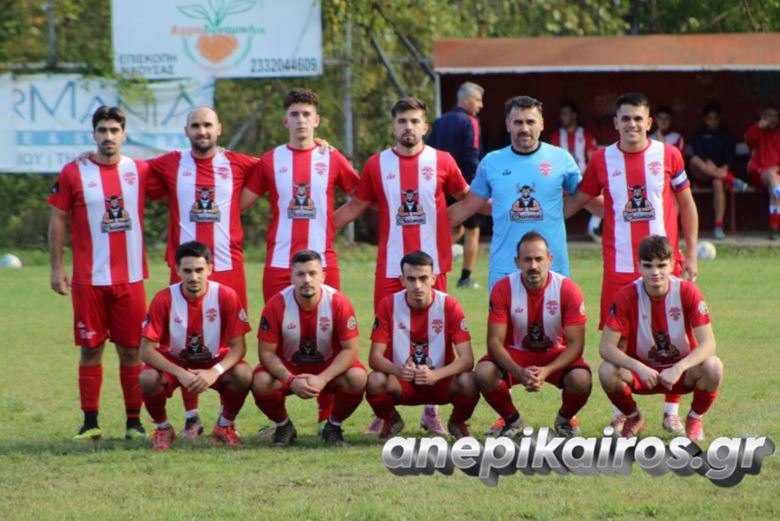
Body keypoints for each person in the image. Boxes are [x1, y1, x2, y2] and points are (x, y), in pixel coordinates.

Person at [334, 97, 470, 435]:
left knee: (436, 336)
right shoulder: (377, 164)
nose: (408, 127)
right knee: (388, 338)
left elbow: (468, 198)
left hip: (432, 267)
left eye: (414, 121)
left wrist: (450, 221)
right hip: (390, 268)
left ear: (425, 126)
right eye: (402, 121)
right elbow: (356, 206)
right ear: (393, 126)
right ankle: (385, 410)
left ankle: (431, 410)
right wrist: (320, 231)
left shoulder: (442, 160)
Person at [565, 92, 699, 434]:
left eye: (638, 118)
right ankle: (623, 412)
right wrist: (544, 218)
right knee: (619, 341)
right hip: (619, 265)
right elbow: (580, 200)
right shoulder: (601, 159)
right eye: (625, 118)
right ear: (616, 123)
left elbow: (686, 204)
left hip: (665, 263)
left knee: (675, 334)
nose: (632, 124)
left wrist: (691, 254)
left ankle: (671, 411)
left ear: (649, 122)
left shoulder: (668, 154)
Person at [241, 87, 359, 430]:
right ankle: (281, 420)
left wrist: (330, 224)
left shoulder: (331, 158)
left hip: (324, 263)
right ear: (285, 121)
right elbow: (241, 202)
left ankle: (326, 416)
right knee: (279, 337)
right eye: (294, 114)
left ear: (317, 120)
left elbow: (362, 196)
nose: (301, 120)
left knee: (329, 338)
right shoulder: (270, 160)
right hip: (279, 264)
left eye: (307, 114)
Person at [142, 106, 259, 437]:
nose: (202, 131)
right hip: (185, 266)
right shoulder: (170, 163)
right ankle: (191, 416)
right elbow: (129, 169)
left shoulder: (239, 163)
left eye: (208, 125)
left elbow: (280, 165)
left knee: (228, 342)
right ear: (186, 131)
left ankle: (226, 421)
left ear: (219, 128)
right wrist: (91, 157)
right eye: (195, 125)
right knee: (181, 339)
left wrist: (320, 144)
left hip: (228, 265)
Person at [48, 106, 149, 441]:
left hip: (130, 278)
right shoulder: (73, 171)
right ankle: (90, 422)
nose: (108, 136)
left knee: (131, 350)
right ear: (93, 134)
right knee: (91, 349)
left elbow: (185, 168)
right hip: (88, 280)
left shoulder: (140, 170)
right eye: (102, 130)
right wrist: (57, 267)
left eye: (114, 130)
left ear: (124, 134)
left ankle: (134, 423)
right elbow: (58, 219)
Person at [449, 95, 585, 292]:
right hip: (505, 270)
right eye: (518, 122)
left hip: (553, 268)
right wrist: (428, 226)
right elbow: (467, 206)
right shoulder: (491, 162)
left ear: (541, 124)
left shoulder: (561, 158)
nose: (525, 128)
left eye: (530, 122)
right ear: (508, 125)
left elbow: (586, 197)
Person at [598, 235, 722, 441]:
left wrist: (678, 368)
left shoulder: (687, 291)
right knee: (606, 370)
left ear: (672, 265)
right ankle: (633, 417)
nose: (655, 272)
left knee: (713, 366)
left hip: (680, 373)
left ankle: (694, 419)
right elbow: (606, 348)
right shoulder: (626, 296)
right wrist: (638, 367)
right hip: (642, 374)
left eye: (661, 265)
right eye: (648, 266)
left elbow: (709, 344)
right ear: (639, 266)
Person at [475, 232, 591, 438]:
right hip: (516, 354)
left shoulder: (568, 289)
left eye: (539, 259)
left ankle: (565, 420)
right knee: (484, 372)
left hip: (555, 354)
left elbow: (576, 344)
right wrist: (518, 372)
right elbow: (494, 342)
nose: (533, 266)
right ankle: (512, 420)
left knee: (581, 379)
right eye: (527, 259)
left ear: (550, 260)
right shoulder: (503, 288)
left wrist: (547, 370)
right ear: (517, 262)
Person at [139, 241, 252, 451]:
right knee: (147, 378)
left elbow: (239, 347)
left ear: (210, 269)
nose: (194, 277)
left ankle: (225, 426)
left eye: (199, 270)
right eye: (187, 271)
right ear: (177, 270)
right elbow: (145, 350)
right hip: (175, 361)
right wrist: (180, 373)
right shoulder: (164, 298)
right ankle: (163, 429)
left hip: (213, 359)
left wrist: (214, 371)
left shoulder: (226, 295)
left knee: (243, 374)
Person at [251, 250, 366, 447]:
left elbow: (351, 350)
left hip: (327, 367)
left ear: (323, 276)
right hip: (289, 367)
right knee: (260, 381)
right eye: (300, 274)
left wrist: (323, 378)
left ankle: (333, 426)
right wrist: (290, 380)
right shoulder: (276, 304)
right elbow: (266, 353)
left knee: (357, 377)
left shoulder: (338, 302)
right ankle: (283, 426)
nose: (307, 280)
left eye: (312, 273)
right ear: (291, 277)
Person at [364, 250, 480, 441]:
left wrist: (436, 374)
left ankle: (457, 422)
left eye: (423, 278)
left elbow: (467, 360)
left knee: (469, 380)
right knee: (375, 380)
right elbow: (374, 358)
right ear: (402, 280)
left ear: (433, 279)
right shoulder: (388, 305)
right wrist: (400, 371)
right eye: (411, 279)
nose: (417, 285)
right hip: (402, 383)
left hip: (440, 383)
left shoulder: (449, 305)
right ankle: (392, 420)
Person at [427, 82, 485, 289]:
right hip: (464, 186)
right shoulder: (471, 122)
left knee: (451, 227)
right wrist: (480, 184)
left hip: (440, 185)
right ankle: (465, 277)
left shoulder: (440, 121)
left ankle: (428, 264)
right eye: (478, 100)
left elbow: (428, 150)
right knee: (472, 230)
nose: (480, 105)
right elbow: (471, 155)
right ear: (466, 100)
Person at [688, 104, 748, 240]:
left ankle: (718, 225)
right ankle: (732, 180)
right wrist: (707, 163)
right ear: (705, 119)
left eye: (715, 118)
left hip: (720, 174)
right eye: (709, 118)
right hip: (703, 174)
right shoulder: (699, 135)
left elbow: (729, 158)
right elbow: (698, 155)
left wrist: (724, 168)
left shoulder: (726, 135)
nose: (712, 121)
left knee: (717, 182)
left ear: (719, 119)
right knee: (694, 160)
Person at [549, 101, 601, 242]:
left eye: (565, 114)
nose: (562, 117)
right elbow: (551, 162)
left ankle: (594, 229)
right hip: (561, 182)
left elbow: (593, 161)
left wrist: (586, 179)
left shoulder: (585, 135)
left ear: (574, 115)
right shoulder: (556, 136)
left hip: (582, 181)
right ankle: (552, 233)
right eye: (561, 114)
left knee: (603, 192)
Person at [744, 104, 780, 240]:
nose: (773, 119)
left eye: (776, 116)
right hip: (758, 174)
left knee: (774, 189)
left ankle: (774, 227)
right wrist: (759, 127)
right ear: (763, 117)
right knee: (772, 175)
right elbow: (749, 141)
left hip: (776, 176)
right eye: (770, 116)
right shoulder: (757, 131)